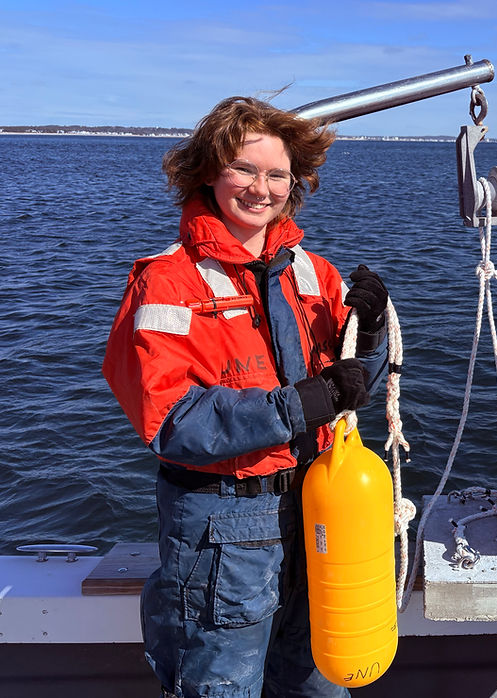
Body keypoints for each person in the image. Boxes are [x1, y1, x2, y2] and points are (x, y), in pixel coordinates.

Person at [103, 96, 391, 697]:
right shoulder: (167, 281)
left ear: (297, 181)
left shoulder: (314, 273)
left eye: (277, 174)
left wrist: (373, 329)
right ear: (209, 171)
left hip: (320, 517)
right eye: (244, 168)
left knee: (321, 685)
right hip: (222, 534)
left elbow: (354, 382)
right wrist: (298, 406)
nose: (262, 188)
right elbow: (170, 420)